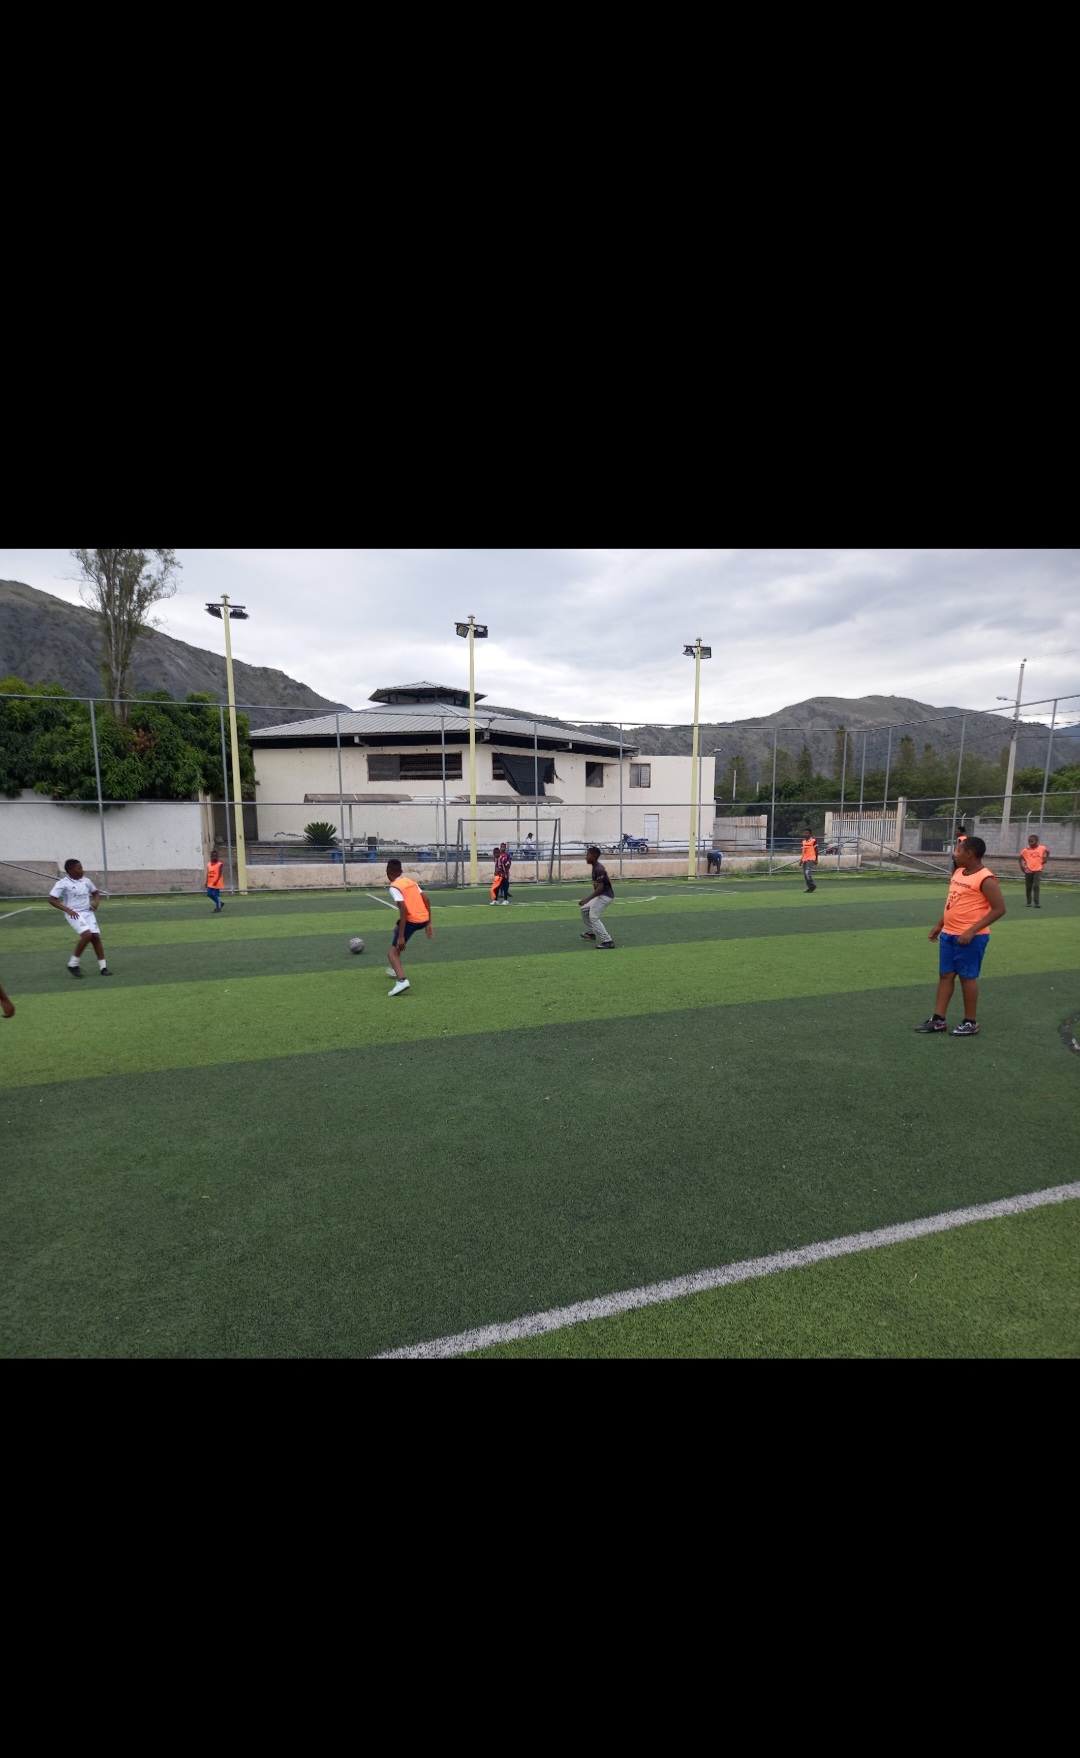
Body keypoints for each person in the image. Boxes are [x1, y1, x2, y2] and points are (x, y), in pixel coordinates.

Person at [916, 835, 1005, 1037]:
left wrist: (972, 930)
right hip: (949, 934)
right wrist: (940, 924)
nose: (955, 854)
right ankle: (938, 1019)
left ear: (970, 853)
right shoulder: (958, 872)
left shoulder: (986, 878)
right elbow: (953, 903)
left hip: (971, 937)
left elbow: (999, 909)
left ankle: (970, 1022)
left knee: (967, 978)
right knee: (945, 975)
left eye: (958, 851)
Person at [48, 859, 112, 977]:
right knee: (87, 935)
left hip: (88, 912)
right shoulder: (63, 883)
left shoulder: (86, 881)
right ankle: (73, 964)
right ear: (70, 871)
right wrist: (67, 910)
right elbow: (52, 899)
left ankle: (103, 967)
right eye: (79, 868)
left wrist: (95, 903)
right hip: (74, 914)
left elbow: (96, 893)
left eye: (81, 868)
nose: (82, 870)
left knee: (95, 937)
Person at [385, 859, 433, 996]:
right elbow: (426, 900)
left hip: (412, 920)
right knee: (397, 928)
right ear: (401, 871)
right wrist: (428, 923)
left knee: (392, 953)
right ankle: (395, 967)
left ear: (388, 871)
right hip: (423, 918)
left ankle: (402, 980)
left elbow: (404, 910)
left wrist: (401, 937)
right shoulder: (410, 881)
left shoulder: (394, 887)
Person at [578, 846, 615, 948]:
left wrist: (587, 899)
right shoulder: (595, 867)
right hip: (601, 895)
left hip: (605, 896)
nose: (586, 857)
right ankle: (591, 933)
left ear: (594, 856)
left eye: (588, 855)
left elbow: (600, 888)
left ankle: (607, 941)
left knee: (593, 916)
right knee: (584, 909)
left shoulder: (599, 869)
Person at [1019, 833, 1049, 907]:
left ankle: (1036, 902)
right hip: (1028, 870)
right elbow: (1020, 857)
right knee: (1028, 886)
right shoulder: (1026, 850)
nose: (1030, 843)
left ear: (1036, 841)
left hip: (1038, 869)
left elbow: (1047, 852)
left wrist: (1046, 859)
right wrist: (1021, 866)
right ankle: (1029, 902)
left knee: (1036, 886)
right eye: (1029, 841)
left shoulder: (1042, 848)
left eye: (1032, 841)